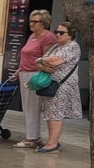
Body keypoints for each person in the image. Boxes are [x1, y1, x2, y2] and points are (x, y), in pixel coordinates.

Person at [34, 21, 82, 154]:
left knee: (56, 114)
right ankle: (52, 140)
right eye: (56, 32)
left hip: (62, 86)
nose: (58, 35)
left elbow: (54, 61)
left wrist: (43, 61)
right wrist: (44, 64)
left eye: (61, 33)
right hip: (51, 84)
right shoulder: (55, 47)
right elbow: (38, 62)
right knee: (50, 113)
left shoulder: (73, 46)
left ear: (70, 35)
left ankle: (52, 144)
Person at [14, 9, 56, 148]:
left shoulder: (48, 37)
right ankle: (33, 135)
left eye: (35, 21)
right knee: (27, 106)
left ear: (44, 23)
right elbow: (26, 55)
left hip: (35, 75)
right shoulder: (32, 36)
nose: (32, 24)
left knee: (32, 106)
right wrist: (19, 70)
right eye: (31, 21)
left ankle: (31, 138)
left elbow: (46, 58)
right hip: (24, 73)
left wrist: (42, 71)